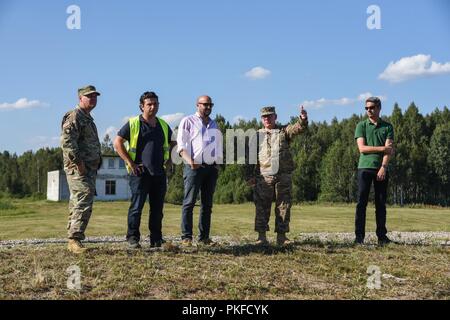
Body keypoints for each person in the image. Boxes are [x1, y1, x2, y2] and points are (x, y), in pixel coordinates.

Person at [114, 91, 176, 249]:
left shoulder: (163, 124)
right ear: (142, 106)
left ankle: (156, 239)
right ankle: (133, 238)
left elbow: (174, 142)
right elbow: (117, 143)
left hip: (159, 173)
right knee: (136, 207)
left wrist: (169, 162)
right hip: (139, 174)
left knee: (157, 209)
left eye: (155, 104)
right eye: (149, 104)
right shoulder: (134, 123)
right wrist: (131, 163)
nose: (153, 107)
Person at [251, 105, 308, 246]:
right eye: (264, 117)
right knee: (262, 207)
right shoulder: (256, 136)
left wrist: (302, 119)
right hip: (264, 176)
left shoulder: (284, 131)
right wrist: (249, 176)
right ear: (261, 119)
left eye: (270, 116)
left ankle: (281, 237)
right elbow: (249, 158)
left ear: (275, 117)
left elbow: (297, 129)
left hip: (283, 175)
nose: (267, 119)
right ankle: (261, 237)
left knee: (284, 206)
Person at [176, 95, 223, 246]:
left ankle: (204, 238)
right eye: (205, 105)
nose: (208, 107)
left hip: (210, 169)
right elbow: (181, 146)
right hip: (193, 167)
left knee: (207, 204)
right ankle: (186, 237)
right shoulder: (188, 121)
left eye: (210, 105)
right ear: (197, 105)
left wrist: (217, 164)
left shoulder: (214, 124)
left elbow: (217, 146)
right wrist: (191, 162)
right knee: (189, 202)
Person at [61, 85, 102, 254]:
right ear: (80, 99)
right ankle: (74, 239)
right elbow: (67, 143)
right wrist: (79, 164)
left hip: (88, 168)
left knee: (80, 200)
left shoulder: (87, 118)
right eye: (89, 96)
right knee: (82, 199)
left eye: (94, 96)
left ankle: (74, 238)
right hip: (79, 169)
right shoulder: (75, 116)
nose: (93, 99)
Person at [354, 96, 394, 245]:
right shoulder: (361, 126)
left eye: (371, 108)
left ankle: (382, 237)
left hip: (381, 169)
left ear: (378, 108)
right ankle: (359, 238)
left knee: (381, 204)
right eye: (366, 108)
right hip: (364, 168)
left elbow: (388, 151)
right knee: (361, 203)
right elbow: (362, 148)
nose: (368, 111)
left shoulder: (387, 127)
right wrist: (382, 148)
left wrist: (383, 167)